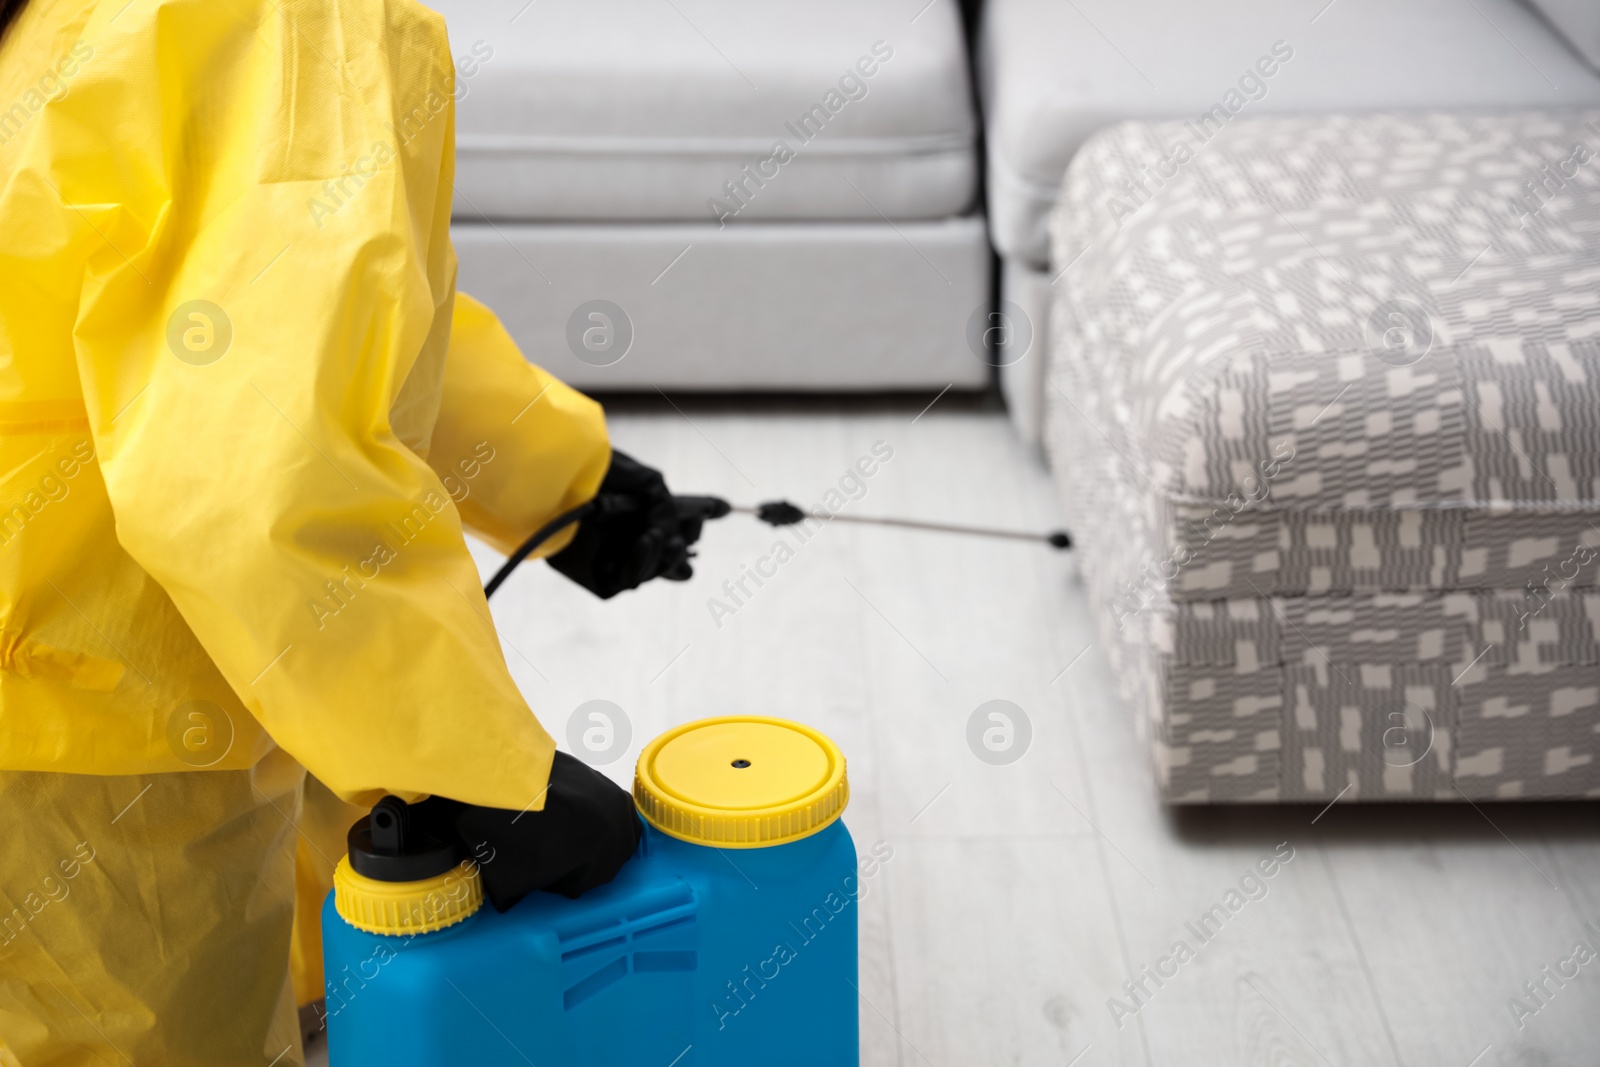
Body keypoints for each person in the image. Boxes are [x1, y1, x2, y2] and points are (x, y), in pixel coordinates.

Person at [0, 0, 702, 1062]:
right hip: (92, 719)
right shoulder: (282, 22)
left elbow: (323, 325)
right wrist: (468, 765)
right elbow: (256, 470)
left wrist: (567, 480)